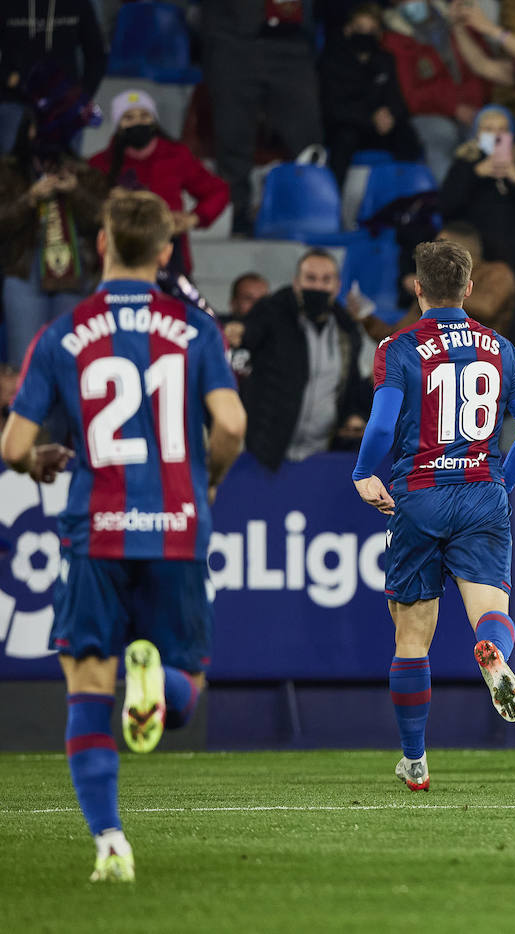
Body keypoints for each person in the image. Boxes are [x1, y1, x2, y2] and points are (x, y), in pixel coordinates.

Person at [0, 189, 246, 881]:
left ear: (103, 244)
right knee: (185, 683)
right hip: (176, 524)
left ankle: (110, 841)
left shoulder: (61, 333)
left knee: (86, 684)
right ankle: (159, 680)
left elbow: (14, 440)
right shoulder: (196, 329)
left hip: (96, 529)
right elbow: (230, 426)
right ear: (167, 252)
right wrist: (213, 478)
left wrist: (34, 458)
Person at [351, 240, 515, 791]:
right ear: (468, 288)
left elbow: (384, 426)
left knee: (412, 637)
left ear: (417, 288)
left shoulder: (399, 347)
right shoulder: (500, 348)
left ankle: (415, 761)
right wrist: (500, 479)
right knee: (490, 609)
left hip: (418, 493)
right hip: (482, 489)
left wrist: (364, 473)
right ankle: (493, 653)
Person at [226, 250, 372, 469]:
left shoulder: (347, 332)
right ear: (296, 283)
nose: (318, 287)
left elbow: (349, 386)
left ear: (337, 286)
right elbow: (251, 331)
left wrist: (354, 416)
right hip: (267, 456)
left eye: (326, 280)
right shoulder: (272, 314)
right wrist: (239, 331)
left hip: (322, 458)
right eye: (310, 278)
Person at [201, 0, 324, 236]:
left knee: (308, 137)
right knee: (233, 135)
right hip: (234, 41)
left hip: (292, 41)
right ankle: (237, 213)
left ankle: (313, 208)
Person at [0, 107, 107, 367]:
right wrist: (29, 199)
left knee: (70, 360)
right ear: (27, 130)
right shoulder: (7, 172)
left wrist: (76, 192)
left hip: (74, 275)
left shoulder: (85, 173)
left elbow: (104, 219)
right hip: (23, 272)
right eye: (39, 126)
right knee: (25, 362)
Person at [89, 90, 230, 278]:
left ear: (154, 120)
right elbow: (87, 209)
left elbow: (218, 190)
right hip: (118, 262)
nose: (138, 122)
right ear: (117, 124)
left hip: (170, 258)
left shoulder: (176, 156)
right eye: (128, 117)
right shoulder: (100, 164)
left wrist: (195, 217)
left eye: (144, 115)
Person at [438, 104, 515, 302]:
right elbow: (447, 207)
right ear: (476, 134)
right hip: (477, 260)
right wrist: (476, 174)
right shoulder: (464, 164)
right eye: (488, 129)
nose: (495, 135)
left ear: (512, 134)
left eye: (501, 130)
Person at [380, 0, 491, 183]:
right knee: (442, 135)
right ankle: (450, 201)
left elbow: (482, 70)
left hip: (473, 106)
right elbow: (410, 95)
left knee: (488, 132)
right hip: (427, 112)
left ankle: (489, 202)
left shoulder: (456, 22)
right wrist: (454, 107)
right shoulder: (394, 39)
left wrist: (476, 107)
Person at [318, 4, 423, 188]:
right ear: (348, 29)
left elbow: (396, 98)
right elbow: (332, 108)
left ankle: (411, 197)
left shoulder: (384, 60)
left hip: (379, 128)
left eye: (372, 30)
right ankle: (332, 198)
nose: (365, 35)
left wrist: (390, 115)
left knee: (407, 136)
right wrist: (369, 118)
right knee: (344, 138)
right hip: (348, 126)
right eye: (360, 29)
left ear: (380, 34)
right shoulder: (331, 60)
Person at [435, 221, 515, 338]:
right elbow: (410, 322)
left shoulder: (498, 273)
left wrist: (438, 293)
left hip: (478, 351)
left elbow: (487, 307)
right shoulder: (442, 277)